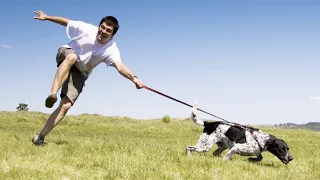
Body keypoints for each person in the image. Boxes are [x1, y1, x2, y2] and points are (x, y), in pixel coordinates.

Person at [31, 10, 144, 146]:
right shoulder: (87, 29)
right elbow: (66, 21)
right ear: (98, 26)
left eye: (108, 30)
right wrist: (47, 17)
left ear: (113, 35)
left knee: (66, 105)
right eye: (102, 27)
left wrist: (134, 78)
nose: (103, 31)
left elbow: (120, 66)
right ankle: (53, 94)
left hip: (81, 71)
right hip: (66, 53)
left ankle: (40, 137)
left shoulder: (111, 49)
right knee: (72, 57)